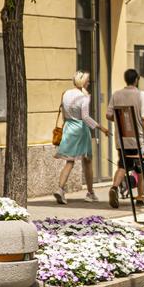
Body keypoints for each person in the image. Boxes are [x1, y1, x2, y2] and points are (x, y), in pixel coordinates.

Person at [55, 71, 109, 204]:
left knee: (70, 161)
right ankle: (90, 193)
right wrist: (101, 128)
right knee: (87, 160)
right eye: (88, 81)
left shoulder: (66, 93)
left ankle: (60, 189)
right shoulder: (84, 97)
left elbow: (63, 112)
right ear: (83, 82)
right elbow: (85, 117)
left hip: (68, 126)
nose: (89, 83)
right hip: (80, 128)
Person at [107, 68, 144, 209]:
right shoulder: (141, 95)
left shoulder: (116, 95)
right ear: (137, 80)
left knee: (123, 165)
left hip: (121, 140)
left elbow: (109, 115)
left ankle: (114, 187)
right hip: (137, 140)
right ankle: (140, 197)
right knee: (140, 168)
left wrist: (122, 120)